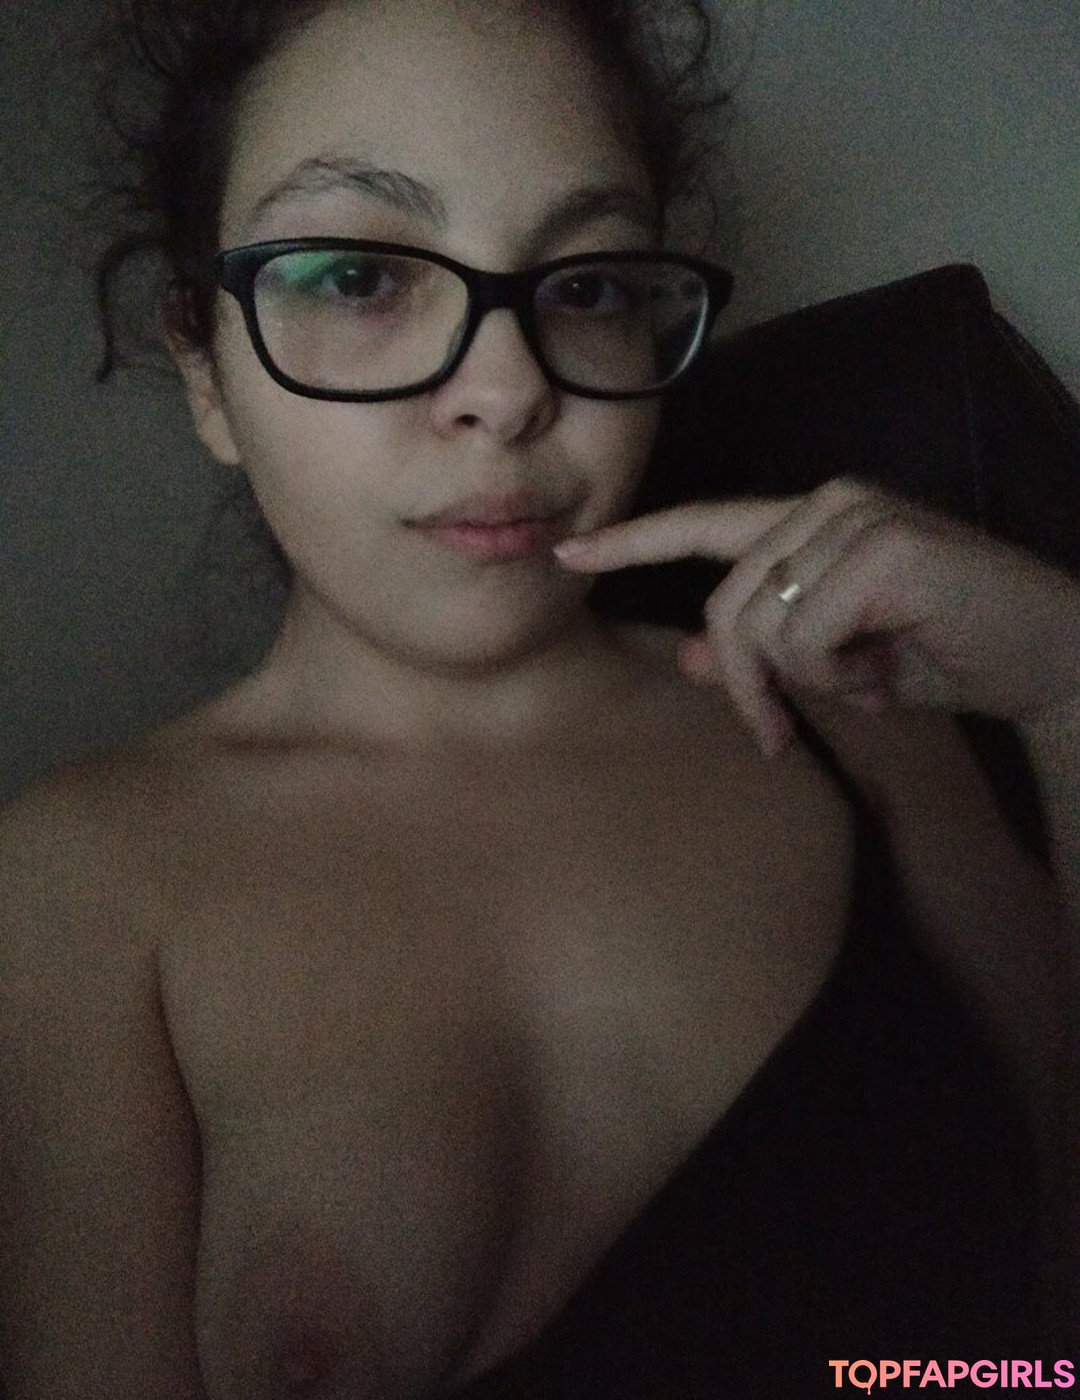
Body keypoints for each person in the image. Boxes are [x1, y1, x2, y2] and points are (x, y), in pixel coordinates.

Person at [1, 0, 1077, 1395]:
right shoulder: (75, 891)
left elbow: (1055, 1339)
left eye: (589, 287)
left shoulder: (852, 715)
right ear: (205, 365)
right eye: (358, 277)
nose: (506, 393)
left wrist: (1067, 685)